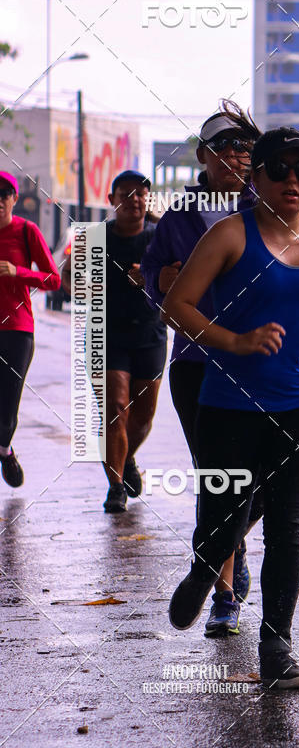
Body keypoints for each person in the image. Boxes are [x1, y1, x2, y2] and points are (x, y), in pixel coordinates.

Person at [162, 127, 299, 689]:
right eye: (280, 169)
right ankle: (203, 569)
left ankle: (277, 648)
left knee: (287, 530)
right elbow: (176, 305)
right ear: (256, 176)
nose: (293, 180)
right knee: (222, 523)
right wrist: (234, 341)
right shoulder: (228, 236)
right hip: (230, 406)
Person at [141, 101, 261, 637]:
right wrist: (162, 282)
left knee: (268, 480)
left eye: (246, 147)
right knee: (217, 478)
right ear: (204, 157)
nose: (238, 155)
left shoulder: (270, 209)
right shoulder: (178, 219)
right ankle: (224, 596)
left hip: (259, 364)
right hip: (195, 363)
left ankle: (215, 554)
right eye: (227, 147)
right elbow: (153, 280)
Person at [62, 170, 167, 512]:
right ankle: (116, 487)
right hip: (106, 334)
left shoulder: (159, 237)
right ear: (112, 200)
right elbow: (66, 274)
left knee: (142, 418)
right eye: (126, 193)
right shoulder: (95, 237)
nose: (134, 199)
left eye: (140, 193)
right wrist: (82, 290)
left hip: (150, 333)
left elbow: (181, 274)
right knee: (115, 410)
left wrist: (151, 278)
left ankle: (126, 459)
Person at [0, 171, 61, 487]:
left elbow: (54, 279)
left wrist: (18, 271)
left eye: (3, 194)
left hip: (17, 330)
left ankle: (5, 450)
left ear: (13, 198)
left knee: (7, 403)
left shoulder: (27, 231)